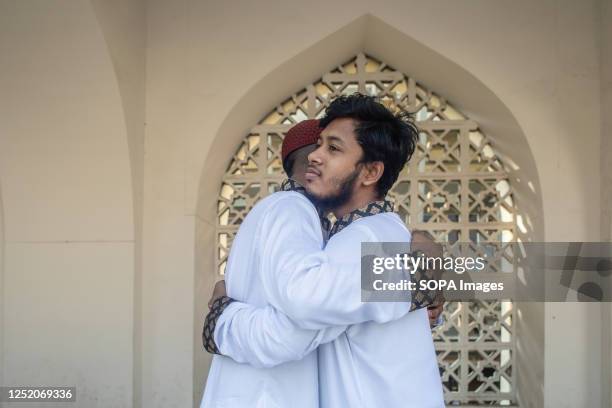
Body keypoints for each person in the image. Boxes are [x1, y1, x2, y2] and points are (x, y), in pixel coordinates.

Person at [201, 95, 444, 408]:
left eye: (333, 148)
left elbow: (299, 310)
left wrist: (221, 314)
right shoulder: (382, 232)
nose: (316, 156)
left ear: (370, 172)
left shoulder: (361, 236)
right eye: (318, 145)